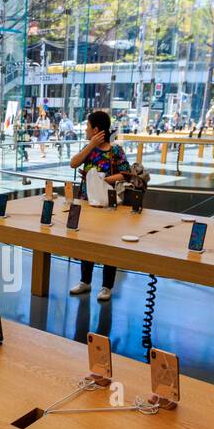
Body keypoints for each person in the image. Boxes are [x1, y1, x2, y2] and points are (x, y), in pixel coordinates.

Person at [68, 111, 131, 302]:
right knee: (87, 242)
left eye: (88, 126)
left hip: (108, 205)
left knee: (108, 245)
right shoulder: (90, 150)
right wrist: (91, 145)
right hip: (88, 203)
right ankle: (85, 281)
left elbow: (126, 173)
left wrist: (104, 179)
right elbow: (73, 163)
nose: (86, 129)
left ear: (96, 129)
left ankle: (106, 286)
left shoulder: (116, 150)